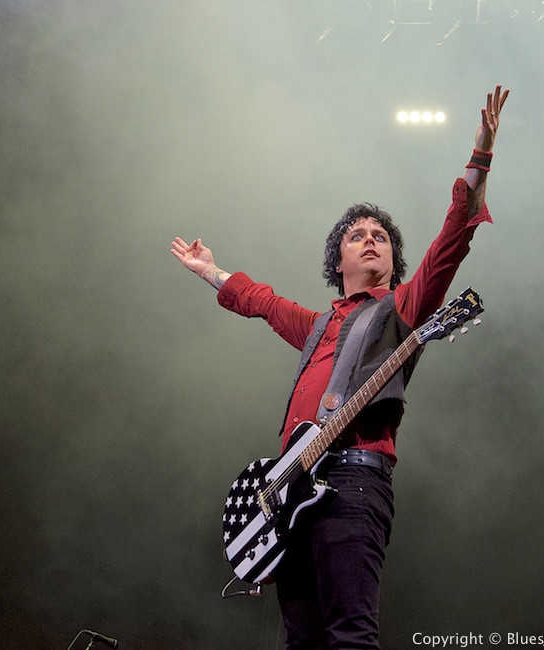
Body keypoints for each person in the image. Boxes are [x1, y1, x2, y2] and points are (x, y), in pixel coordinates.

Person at [171, 84, 509, 650]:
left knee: (350, 636)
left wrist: (480, 158)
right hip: (291, 492)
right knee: (302, 642)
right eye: (357, 236)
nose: (371, 241)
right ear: (339, 259)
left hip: (353, 481)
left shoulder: (400, 309)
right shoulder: (318, 326)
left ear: (394, 260)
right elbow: (262, 302)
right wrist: (210, 270)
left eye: (381, 237)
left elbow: (452, 241)